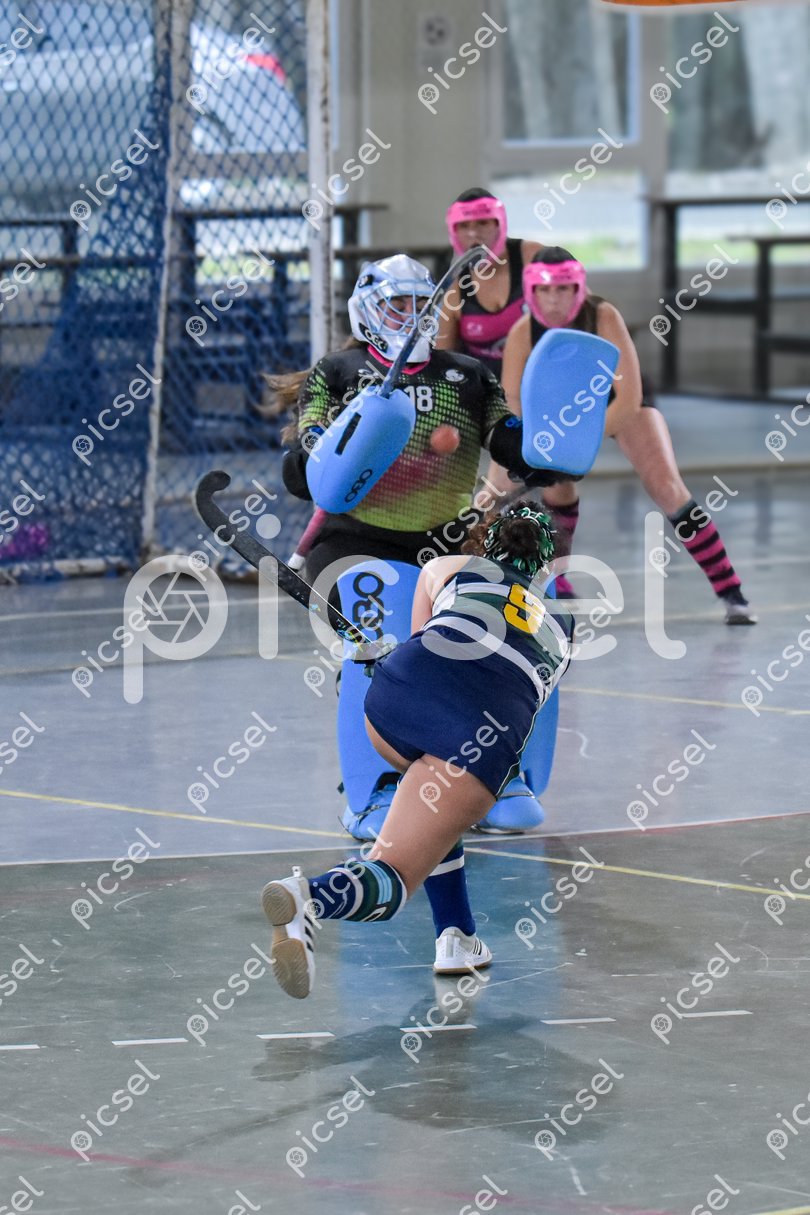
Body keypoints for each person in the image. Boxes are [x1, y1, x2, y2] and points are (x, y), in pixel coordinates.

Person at [278, 254, 572, 848]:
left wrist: (544, 444)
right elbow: (311, 454)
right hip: (352, 545)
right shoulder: (338, 373)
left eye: (421, 304)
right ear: (368, 311)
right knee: (381, 636)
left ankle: (499, 772)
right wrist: (317, 457)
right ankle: (376, 787)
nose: (412, 317)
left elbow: (509, 440)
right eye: (398, 305)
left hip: (448, 542)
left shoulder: (467, 375)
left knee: (517, 623)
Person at [262, 502, 573, 999]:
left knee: (432, 806)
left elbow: (422, 641)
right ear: (546, 564)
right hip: (477, 734)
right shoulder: (563, 623)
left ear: (485, 541)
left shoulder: (445, 567)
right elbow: (524, 696)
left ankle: (457, 937)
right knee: (394, 876)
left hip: (391, 704)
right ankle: (309, 897)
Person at [491, 247, 756, 624]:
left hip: (618, 404)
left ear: (578, 288)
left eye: (563, 289)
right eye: (545, 290)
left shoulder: (602, 315)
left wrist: (579, 442)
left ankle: (731, 590)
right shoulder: (522, 331)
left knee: (667, 488)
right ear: (531, 291)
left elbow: (629, 396)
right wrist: (538, 447)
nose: (554, 300)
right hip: (559, 415)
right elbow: (514, 402)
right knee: (511, 492)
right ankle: (552, 581)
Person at [436, 188, 542, 379]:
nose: (473, 233)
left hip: (544, 380)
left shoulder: (533, 257)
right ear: (454, 232)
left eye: (483, 223)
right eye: (464, 225)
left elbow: (587, 314)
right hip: (487, 391)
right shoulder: (454, 288)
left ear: (499, 224)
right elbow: (442, 366)